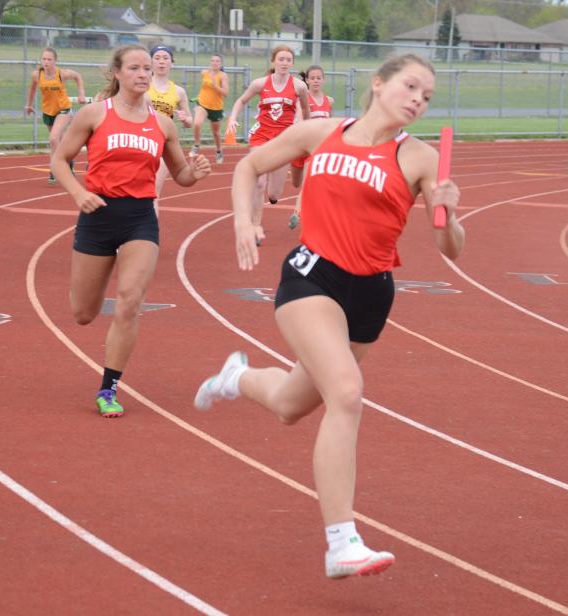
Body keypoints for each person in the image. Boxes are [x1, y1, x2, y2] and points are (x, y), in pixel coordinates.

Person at [193, 54, 464, 578]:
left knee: (293, 405)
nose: (417, 100)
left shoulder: (422, 159)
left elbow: (451, 247)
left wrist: (449, 215)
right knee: (345, 392)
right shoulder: (321, 131)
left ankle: (237, 377)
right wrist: (243, 222)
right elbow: (250, 164)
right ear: (378, 84)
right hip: (311, 277)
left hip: (371, 294)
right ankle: (342, 543)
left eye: (427, 96)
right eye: (410, 86)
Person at [52, 45, 211, 418]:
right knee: (83, 313)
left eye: (145, 69)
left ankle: (108, 387)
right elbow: (60, 159)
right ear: (118, 74)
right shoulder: (95, 114)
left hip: (140, 217)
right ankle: (102, 354)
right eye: (135, 68)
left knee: (129, 300)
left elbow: (181, 175)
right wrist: (79, 193)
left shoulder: (163, 124)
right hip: (98, 215)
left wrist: (195, 171)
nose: (142, 74)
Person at [225, 45, 309, 208]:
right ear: (273, 62)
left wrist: (304, 127)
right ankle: (254, 222)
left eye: (288, 60)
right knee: (259, 182)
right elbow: (241, 100)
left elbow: (305, 109)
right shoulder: (260, 83)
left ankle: (272, 195)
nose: (284, 63)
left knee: (274, 193)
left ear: (292, 63)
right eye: (281, 59)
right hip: (262, 136)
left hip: (284, 139)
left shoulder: (299, 86)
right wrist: (232, 118)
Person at [24, 47, 87, 184]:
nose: (46, 62)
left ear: (55, 61)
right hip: (48, 112)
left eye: (49, 59)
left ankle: (57, 166)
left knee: (53, 139)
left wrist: (81, 93)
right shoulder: (37, 75)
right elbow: (32, 89)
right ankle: (68, 161)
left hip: (63, 109)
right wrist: (28, 105)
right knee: (59, 141)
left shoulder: (62, 74)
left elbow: (77, 76)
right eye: (44, 59)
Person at [288, 64, 334, 230]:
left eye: (318, 78)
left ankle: (297, 213)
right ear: (306, 80)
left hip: (315, 150)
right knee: (296, 183)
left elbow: (331, 124)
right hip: (300, 147)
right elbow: (299, 120)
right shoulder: (302, 100)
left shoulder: (329, 101)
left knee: (309, 184)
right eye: (312, 78)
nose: (315, 81)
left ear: (323, 80)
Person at [147, 44, 193, 209]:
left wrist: (185, 118)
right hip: (141, 142)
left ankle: (151, 234)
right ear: (150, 62)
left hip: (163, 145)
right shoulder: (142, 85)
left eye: (165, 58)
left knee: (153, 193)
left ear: (171, 63)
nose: (161, 62)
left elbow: (189, 123)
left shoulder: (178, 92)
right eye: (157, 58)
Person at [190, 53, 230, 165]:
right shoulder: (204, 73)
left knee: (216, 133)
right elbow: (203, 87)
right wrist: (199, 97)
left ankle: (219, 151)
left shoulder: (223, 76)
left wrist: (215, 86)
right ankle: (196, 145)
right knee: (197, 123)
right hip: (202, 104)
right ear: (210, 62)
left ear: (220, 63)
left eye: (217, 61)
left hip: (216, 108)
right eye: (213, 60)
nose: (214, 63)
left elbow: (226, 93)